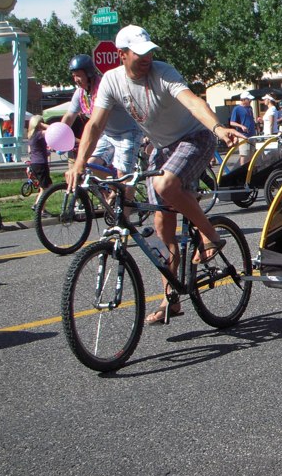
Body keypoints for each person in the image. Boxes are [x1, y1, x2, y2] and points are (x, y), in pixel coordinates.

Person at [65, 25, 244, 325]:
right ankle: (170, 300)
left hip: (196, 137)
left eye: (149, 52)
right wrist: (79, 161)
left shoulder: (163, 72)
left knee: (166, 185)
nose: (147, 58)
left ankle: (211, 235)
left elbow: (192, 101)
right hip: (161, 147)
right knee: (162, 228)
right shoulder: (111, 81)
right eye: (139, 53)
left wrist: (218, 127)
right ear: (122, 55)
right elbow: (94, 125)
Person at [62, 53, 142, 189]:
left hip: (128, 132)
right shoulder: (80, 94)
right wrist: (60, 134)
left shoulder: (103, 88)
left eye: (78, 75)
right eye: (73, 75)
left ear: (88, 74)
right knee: (91, 166)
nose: (75, 79)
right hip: (107, 134)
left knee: (123, 175)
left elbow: (95, 124)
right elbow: (69, 116)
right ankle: (111, 196)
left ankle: (124, 207)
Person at [26, 114, 51, 207]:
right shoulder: (40, 134)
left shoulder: (31, 135)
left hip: (35, 163)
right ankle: (38, 206)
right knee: (46, 188)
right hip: (41, 163)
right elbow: (53, 129)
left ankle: (41, 208)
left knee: (44, 186)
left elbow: (29, 150)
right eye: (42, 122)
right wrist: (43, 125)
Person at [228, 92, 256, 166]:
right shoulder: (237, 109)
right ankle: (243, 171)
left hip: (252, 134)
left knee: (252, 155)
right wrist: (241, 126)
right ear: (243, 100)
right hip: (243, 135)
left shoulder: (250, 108)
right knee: (244, 155)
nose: (250, 101)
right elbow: (232, 122)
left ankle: (251, 171)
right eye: (249, 100)